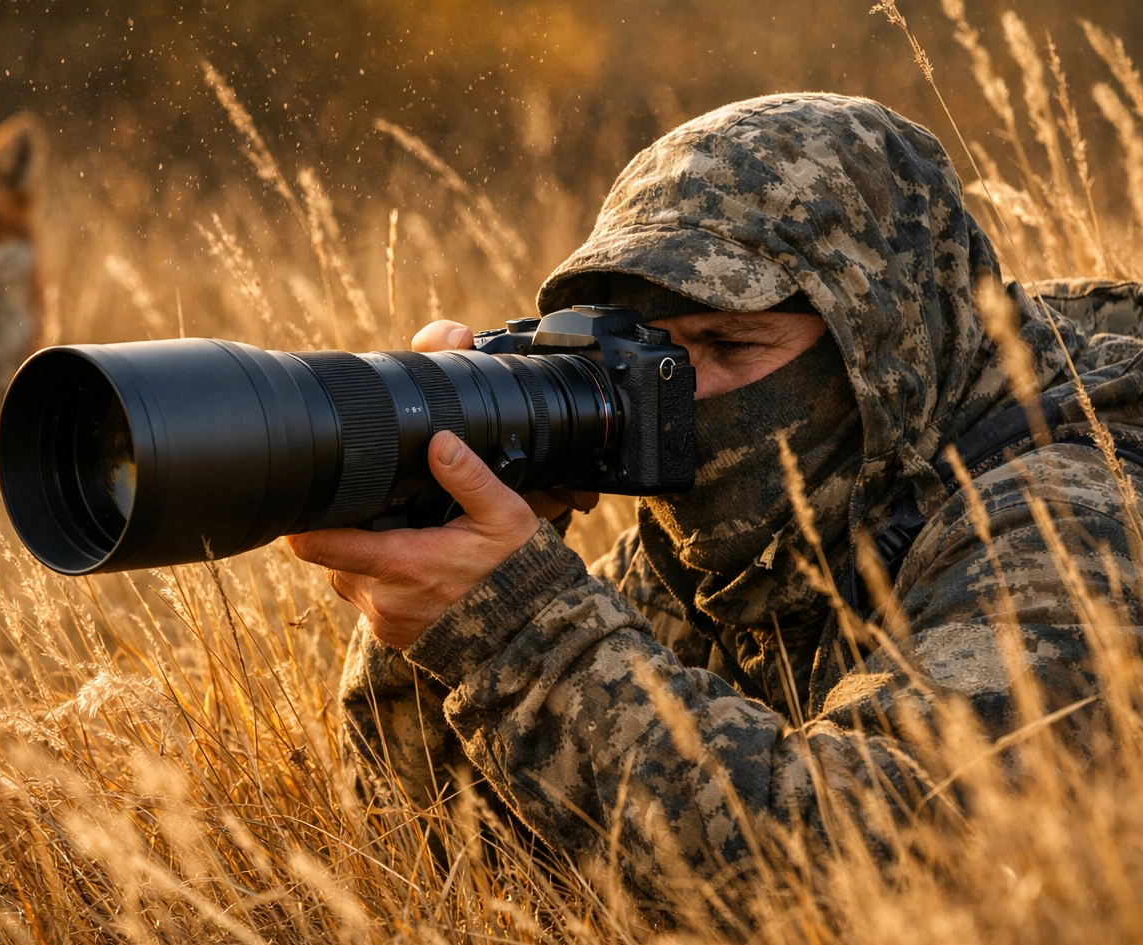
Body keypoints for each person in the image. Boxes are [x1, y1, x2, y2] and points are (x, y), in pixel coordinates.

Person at [285, 93, 1143, 895]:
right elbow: (456, 860)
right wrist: (435, 558)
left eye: (725, 343)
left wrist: (517, 626)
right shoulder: (730, 538)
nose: (671, 396)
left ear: (883, 347)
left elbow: (875, 869)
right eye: (643, 353)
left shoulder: (1078, 508)